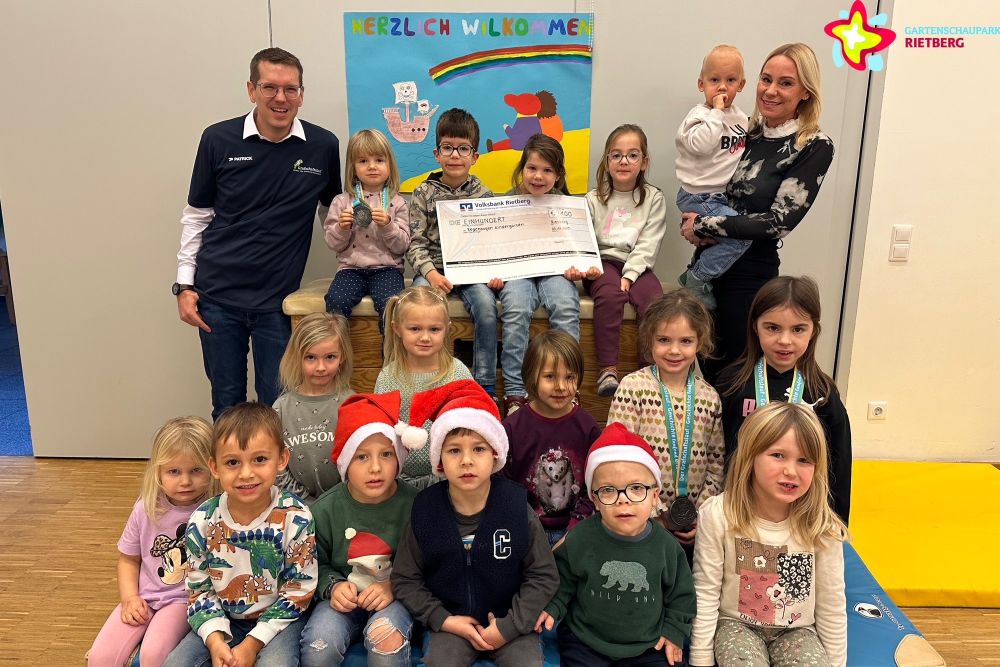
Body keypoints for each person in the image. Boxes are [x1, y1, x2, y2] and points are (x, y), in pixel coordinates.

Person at [174, 47, 341, 420]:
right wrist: (185, 287)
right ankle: (231, 480)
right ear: (252, 90)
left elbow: (333, 215)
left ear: (301, 92)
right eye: (270, 87)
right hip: (217, 297)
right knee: (227, 404)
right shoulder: (218, 139)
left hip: (278, 304)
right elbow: (197, 216)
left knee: (278, 405)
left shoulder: (323, 146)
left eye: (290, 89)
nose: (280, 98)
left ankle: (277, 481)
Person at [680, 43, 835, 382]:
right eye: (766, 79)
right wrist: (692, 216)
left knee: (733, 378)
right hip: (708, 265)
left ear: (805, 92)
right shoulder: (744, 129)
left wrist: (704, 223)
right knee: (699, 376)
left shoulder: (813, 145)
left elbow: (778, 223)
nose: (771, 90)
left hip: (749, 279)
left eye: (785, 83)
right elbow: (707, 181)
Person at [391, 380, 559, 666]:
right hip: (453, 624)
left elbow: (543, 576)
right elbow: (406, 579)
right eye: (454, 450)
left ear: (495, 454)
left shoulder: (516, 506)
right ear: (439, 459)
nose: (466, 461)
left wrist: (510, 626)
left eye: (478, 449)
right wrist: (443, 620)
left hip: (511, 623)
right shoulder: (425, 509)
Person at [688, 402, 847, 667]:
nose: (791, 471)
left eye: (804, 460)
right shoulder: (718, 514)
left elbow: (831, 605)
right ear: (750, 457)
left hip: (797, 631)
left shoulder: (822, 527)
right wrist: (700, 661)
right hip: (737, 627)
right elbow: (705, 593)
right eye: (778, 455)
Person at [164, 403, 317, 667]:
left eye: (260, 459)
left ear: (282, 459)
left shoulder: (297, 517)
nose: (246, 474)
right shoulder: (202, 520)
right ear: (214, 467)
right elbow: (199, 590)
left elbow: (298, 591)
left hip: (281, 619)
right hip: (223, 619)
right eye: (232, 462)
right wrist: (214, 639)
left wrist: (252, 643)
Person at [535, 422, 696, 666]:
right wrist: (554, 605)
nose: (623, 501)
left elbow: (682, 596)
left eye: (636, 488)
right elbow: (563, 579)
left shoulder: (667, 547)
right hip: (586, 641)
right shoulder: (580, 538)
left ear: (654, 496)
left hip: (648, 645)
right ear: (595, 500)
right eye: (609, 490)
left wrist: (673, 632)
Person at [300, 391, 423, 667]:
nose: (376, 468)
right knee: (319, 647)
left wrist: (394, 586)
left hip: (396, 597)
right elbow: (311, 565)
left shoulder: (416, 506)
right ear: (345, 462)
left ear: (400, 457)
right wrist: (332, 587)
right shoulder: (324, 510)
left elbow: (427, 565)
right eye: (362, 457)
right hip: (343, 599)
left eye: (386, 454)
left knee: (385, 640)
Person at [719, 275, 852, 524]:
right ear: (755, 326)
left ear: (813, 331)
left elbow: (839, 464)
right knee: (746, 565)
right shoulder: (731, 384)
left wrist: (837, 524)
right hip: (739, 514)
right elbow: (716, 453)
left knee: (787, 565)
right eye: (773, 327)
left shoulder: (822, 393)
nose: (785, 340)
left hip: (800, 519)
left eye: (798, 329)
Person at [88, 417, 215, 667]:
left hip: (183, 600)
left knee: (153, 654)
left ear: (212, 467)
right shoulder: (145, 509)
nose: (185, 481)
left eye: (196, 470)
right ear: (158, 471)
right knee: (100, 657)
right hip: (145, 597)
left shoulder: (215, 510)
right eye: (174, 471)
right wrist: (130, 598)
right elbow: (128, 560)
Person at [607, 290, 725, 555]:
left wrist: (699, 514)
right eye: (663, 340)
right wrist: (653, 514)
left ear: (700, 342)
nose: (674, 350)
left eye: (685, 341)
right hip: (642, 523)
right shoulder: (633, 388)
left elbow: (717, 464)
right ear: (650, 340)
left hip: (694, 527)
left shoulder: (709, 397)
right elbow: (619, 459)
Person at [567, 124, 667, 397]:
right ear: (607, 161)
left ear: (644, 162)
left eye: (633, 155)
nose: (624, 161)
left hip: (638, 264)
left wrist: (631, 275)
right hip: (603, 263)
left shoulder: (654, 199)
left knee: (654, 301)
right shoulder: (593, 199)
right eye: (616, 155)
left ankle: (649, 370)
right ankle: (608, 369)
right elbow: (583, 240)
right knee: (610, 296)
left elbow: (649, 243)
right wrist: (584, 267)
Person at [405, 109, 498, 400]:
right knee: (419, 310)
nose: (455, 155)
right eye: (447, 147)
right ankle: (425, 381)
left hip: (472, 273)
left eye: (463, 148)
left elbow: (492, 243)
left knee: (486, 308)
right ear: (437, 153)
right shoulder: (423, 192)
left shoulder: (484, 194)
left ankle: (484, 385)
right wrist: (431, 274)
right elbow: (414, 244)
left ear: (475, 156)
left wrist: (494, 271)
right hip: (432, 271)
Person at [495, 134, 581, 415]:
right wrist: (495, 273)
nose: (538, 176)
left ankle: (569, 387)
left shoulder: (568, 207)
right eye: (532, 168)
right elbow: (494, 248)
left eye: (547, 170)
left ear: (558, 175)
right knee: (516, 308)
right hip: (517, 273)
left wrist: (575, 267)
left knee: (566, 305)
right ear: (522, 169)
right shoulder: (506, 202)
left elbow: (577, 251)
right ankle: (515, 393)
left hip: (554, 272)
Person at [502, 330, 600, 545]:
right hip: (524, 530)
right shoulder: (512, 427)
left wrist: (575, 530)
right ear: (531, 376)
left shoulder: (587, 428)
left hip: (576, 531)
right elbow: (503, 486)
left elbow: (595, 486)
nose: (561, 387)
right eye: (550, 376)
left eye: (570, 377)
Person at [675, 45, 750, 309]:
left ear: (741, 85)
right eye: (714, 80)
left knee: (730, 237)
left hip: (720, 196)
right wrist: (716, 113)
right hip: (699, 194)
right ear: (701, 84)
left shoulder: (741, 118)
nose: (721, 88)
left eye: (730, 81)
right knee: (741, 235)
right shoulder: (699, 116)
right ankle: (698, 278)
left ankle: (697, 271)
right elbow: (701, 145)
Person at [375, 286, 472, 489]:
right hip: (400, 481)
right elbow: (381, 433)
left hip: (449, 479)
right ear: (396, 328)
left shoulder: (458, 373)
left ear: (447, 328)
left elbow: (471, 427)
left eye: (434, 329)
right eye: (415, 329)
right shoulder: (388, 378)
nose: (425, 337)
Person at [323, 129, 409, 334]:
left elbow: (403, 246)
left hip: (388, 269)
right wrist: (341, 228)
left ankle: (391, 361)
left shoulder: (398, 203)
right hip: (350, 269)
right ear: (352, 168)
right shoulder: (341, 202)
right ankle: (337, 357)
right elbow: (333, 243)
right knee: (336, 302)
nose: (371, 166)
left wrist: (388, 226)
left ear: (390, 164)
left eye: (379, 160)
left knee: (393, 306)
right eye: (362, 161)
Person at [273, 312, 355, 503]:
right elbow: (276, 464)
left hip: (343, 503)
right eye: (311, 357)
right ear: (297, 357)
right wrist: (304, 501)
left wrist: (337, 500)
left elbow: (359, 459)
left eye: (330, 357)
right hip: (296, 505)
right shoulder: (281, 408)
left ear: (342, 357)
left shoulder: (351, 403)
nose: (321, 367)